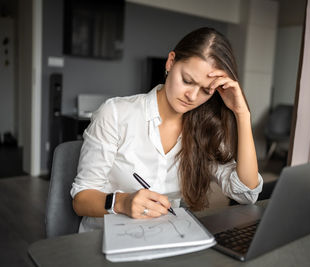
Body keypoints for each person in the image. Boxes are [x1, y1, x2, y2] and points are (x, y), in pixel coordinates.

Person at [71, 27, 263, 232]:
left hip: (167, 238)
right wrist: (123, 203)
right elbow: (81, 199)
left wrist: (242, 114)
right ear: (171, 62)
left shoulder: (205, 129)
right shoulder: (116, 114)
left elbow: (246, 193)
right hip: (105, 238)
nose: (192, 96)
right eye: (187, 81)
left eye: (206, 90)